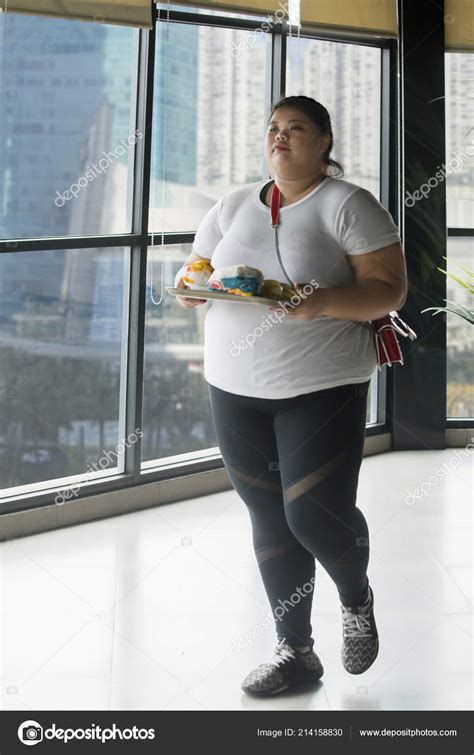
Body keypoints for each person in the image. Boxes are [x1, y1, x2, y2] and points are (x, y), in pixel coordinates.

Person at [174, 95, 407, 697]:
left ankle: (355, 597)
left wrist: (324, 301)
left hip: (322, 383)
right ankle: (296, 652)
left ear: (324, 142)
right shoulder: (231, 205)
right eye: (273, 128)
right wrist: (191, 288)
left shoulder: (349, 204)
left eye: (296, 128)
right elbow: (199, 272)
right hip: (234, 384)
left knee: (312, 515)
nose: (280, 137)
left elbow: (388, 291)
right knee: (270, 520)